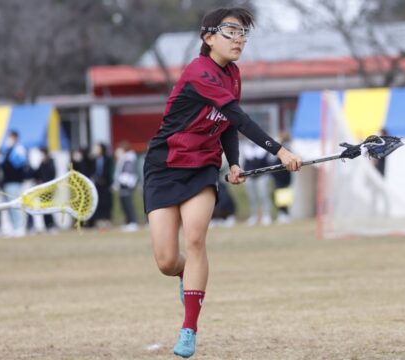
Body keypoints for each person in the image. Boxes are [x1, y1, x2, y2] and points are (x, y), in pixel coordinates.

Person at [142, 7, 302, 358]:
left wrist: (234, 163)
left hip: (202, 167)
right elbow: (239, 117)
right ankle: (188, 275)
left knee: (196, 239)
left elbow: (227, 124)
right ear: (208, 37)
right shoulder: (199, 72)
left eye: (244, 33)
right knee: (167, 261)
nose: (239, 40)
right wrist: (280, 151)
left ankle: (189, 329)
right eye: (231, 32)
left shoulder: (234, 75)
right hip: (163, 168)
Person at [0, 130, 28, 237]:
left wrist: (10, 155)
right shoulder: (7, 150)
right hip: (7, 182)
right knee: (10, 206)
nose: (9, 139)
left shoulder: (19, 149)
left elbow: (18, 164)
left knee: (17, 205)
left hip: (15, 182)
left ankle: (20, 227)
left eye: (10, 137)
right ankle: (14, 227)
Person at [242, 139, 273, 226]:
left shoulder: (263, 149)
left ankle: (266, 215)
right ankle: (254, 216)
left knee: (263, 195)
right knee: (252, 197)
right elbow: (245, 164)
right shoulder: (246, 149)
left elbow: (267, 163)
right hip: (250, 176)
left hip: (262, 176)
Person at [113, 142, 139, 232]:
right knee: (124, 204)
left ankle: (133, 222)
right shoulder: (122, 159)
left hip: (127, 184)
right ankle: (128, 222)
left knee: (128, 204)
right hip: (122, 184)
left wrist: (121, 180)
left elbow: (128, 172)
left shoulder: (129, 159)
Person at [91, 143, 113, 230]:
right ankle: (99, 222)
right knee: (98, 202)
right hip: (97, 185)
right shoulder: (93, 159)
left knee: (106, 203)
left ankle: (107, 221)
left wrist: (106, 180)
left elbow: (109, 171)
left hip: (106, 185)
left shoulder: (108, 159)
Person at [34, 147, 57, 232]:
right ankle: (47, 225)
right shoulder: (41, 163)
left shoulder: (51, 162)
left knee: (49, 207)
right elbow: (37, 174)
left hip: (49, 188)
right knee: (43, 207)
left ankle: (51, 225)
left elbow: (52, 174)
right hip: (42, 188)